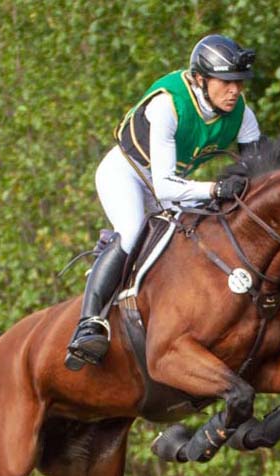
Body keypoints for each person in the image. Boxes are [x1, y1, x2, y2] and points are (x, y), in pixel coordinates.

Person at [64, 34, 263, 371]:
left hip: (171, 184)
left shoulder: (243, 116)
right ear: (201, 79)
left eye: (239, 83)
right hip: (127, 174)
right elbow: (166, 188)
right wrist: (216, 189)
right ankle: (90, 323)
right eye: (226, 82)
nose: (235, 91)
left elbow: (262, 175)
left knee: (197, 241)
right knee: (130, 231)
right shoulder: (168, 105)